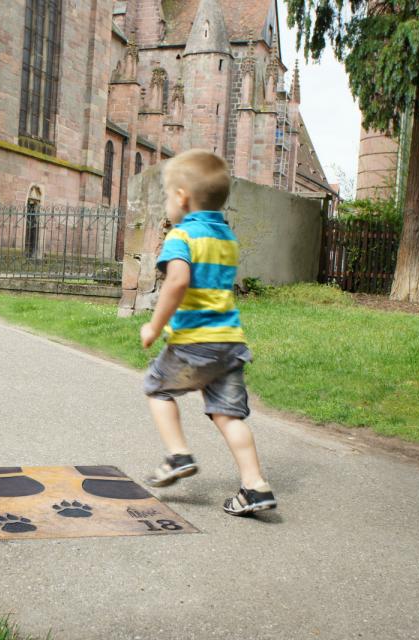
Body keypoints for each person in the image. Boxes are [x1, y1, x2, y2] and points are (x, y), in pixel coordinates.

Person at [139, 149, 276, 516]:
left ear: (181, 196)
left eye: (168, 196)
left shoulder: (181, 236)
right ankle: (255, 486)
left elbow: (178, 281)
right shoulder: (227, 239)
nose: (168, 204)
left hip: (193, 343)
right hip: (230, 344)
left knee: (157, 388)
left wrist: (154, 325)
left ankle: (178, 454)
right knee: (228, 416)